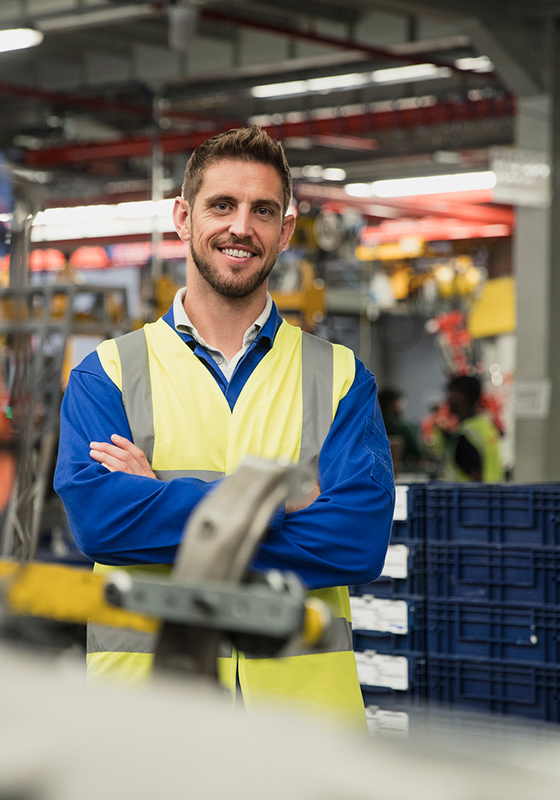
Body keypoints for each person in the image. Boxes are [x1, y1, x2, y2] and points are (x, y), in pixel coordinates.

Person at [53, 126, 395, 730]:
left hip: (304, 731)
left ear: (284, 231)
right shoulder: (106, 374)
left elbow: (356, 540)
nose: (242, 227)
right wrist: (281, 507)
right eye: (221, 206)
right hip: (149, 724)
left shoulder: (340, 378)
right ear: (184, 218)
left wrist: (158, 495)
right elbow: (102, 523)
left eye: (263, 210)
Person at [442, 374, 504, 483]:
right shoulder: (486, 426)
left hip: (469, 499)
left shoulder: (467, 435)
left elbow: (475, 479)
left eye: (452, 394)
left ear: (463, 397)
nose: (448, 399)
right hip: (494, 496)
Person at [377, 386, 425, 474]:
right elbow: (417, 452)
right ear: (391, 404)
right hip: (401, 471)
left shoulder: (373, 425)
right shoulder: (403, 427)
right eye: (398, 402)